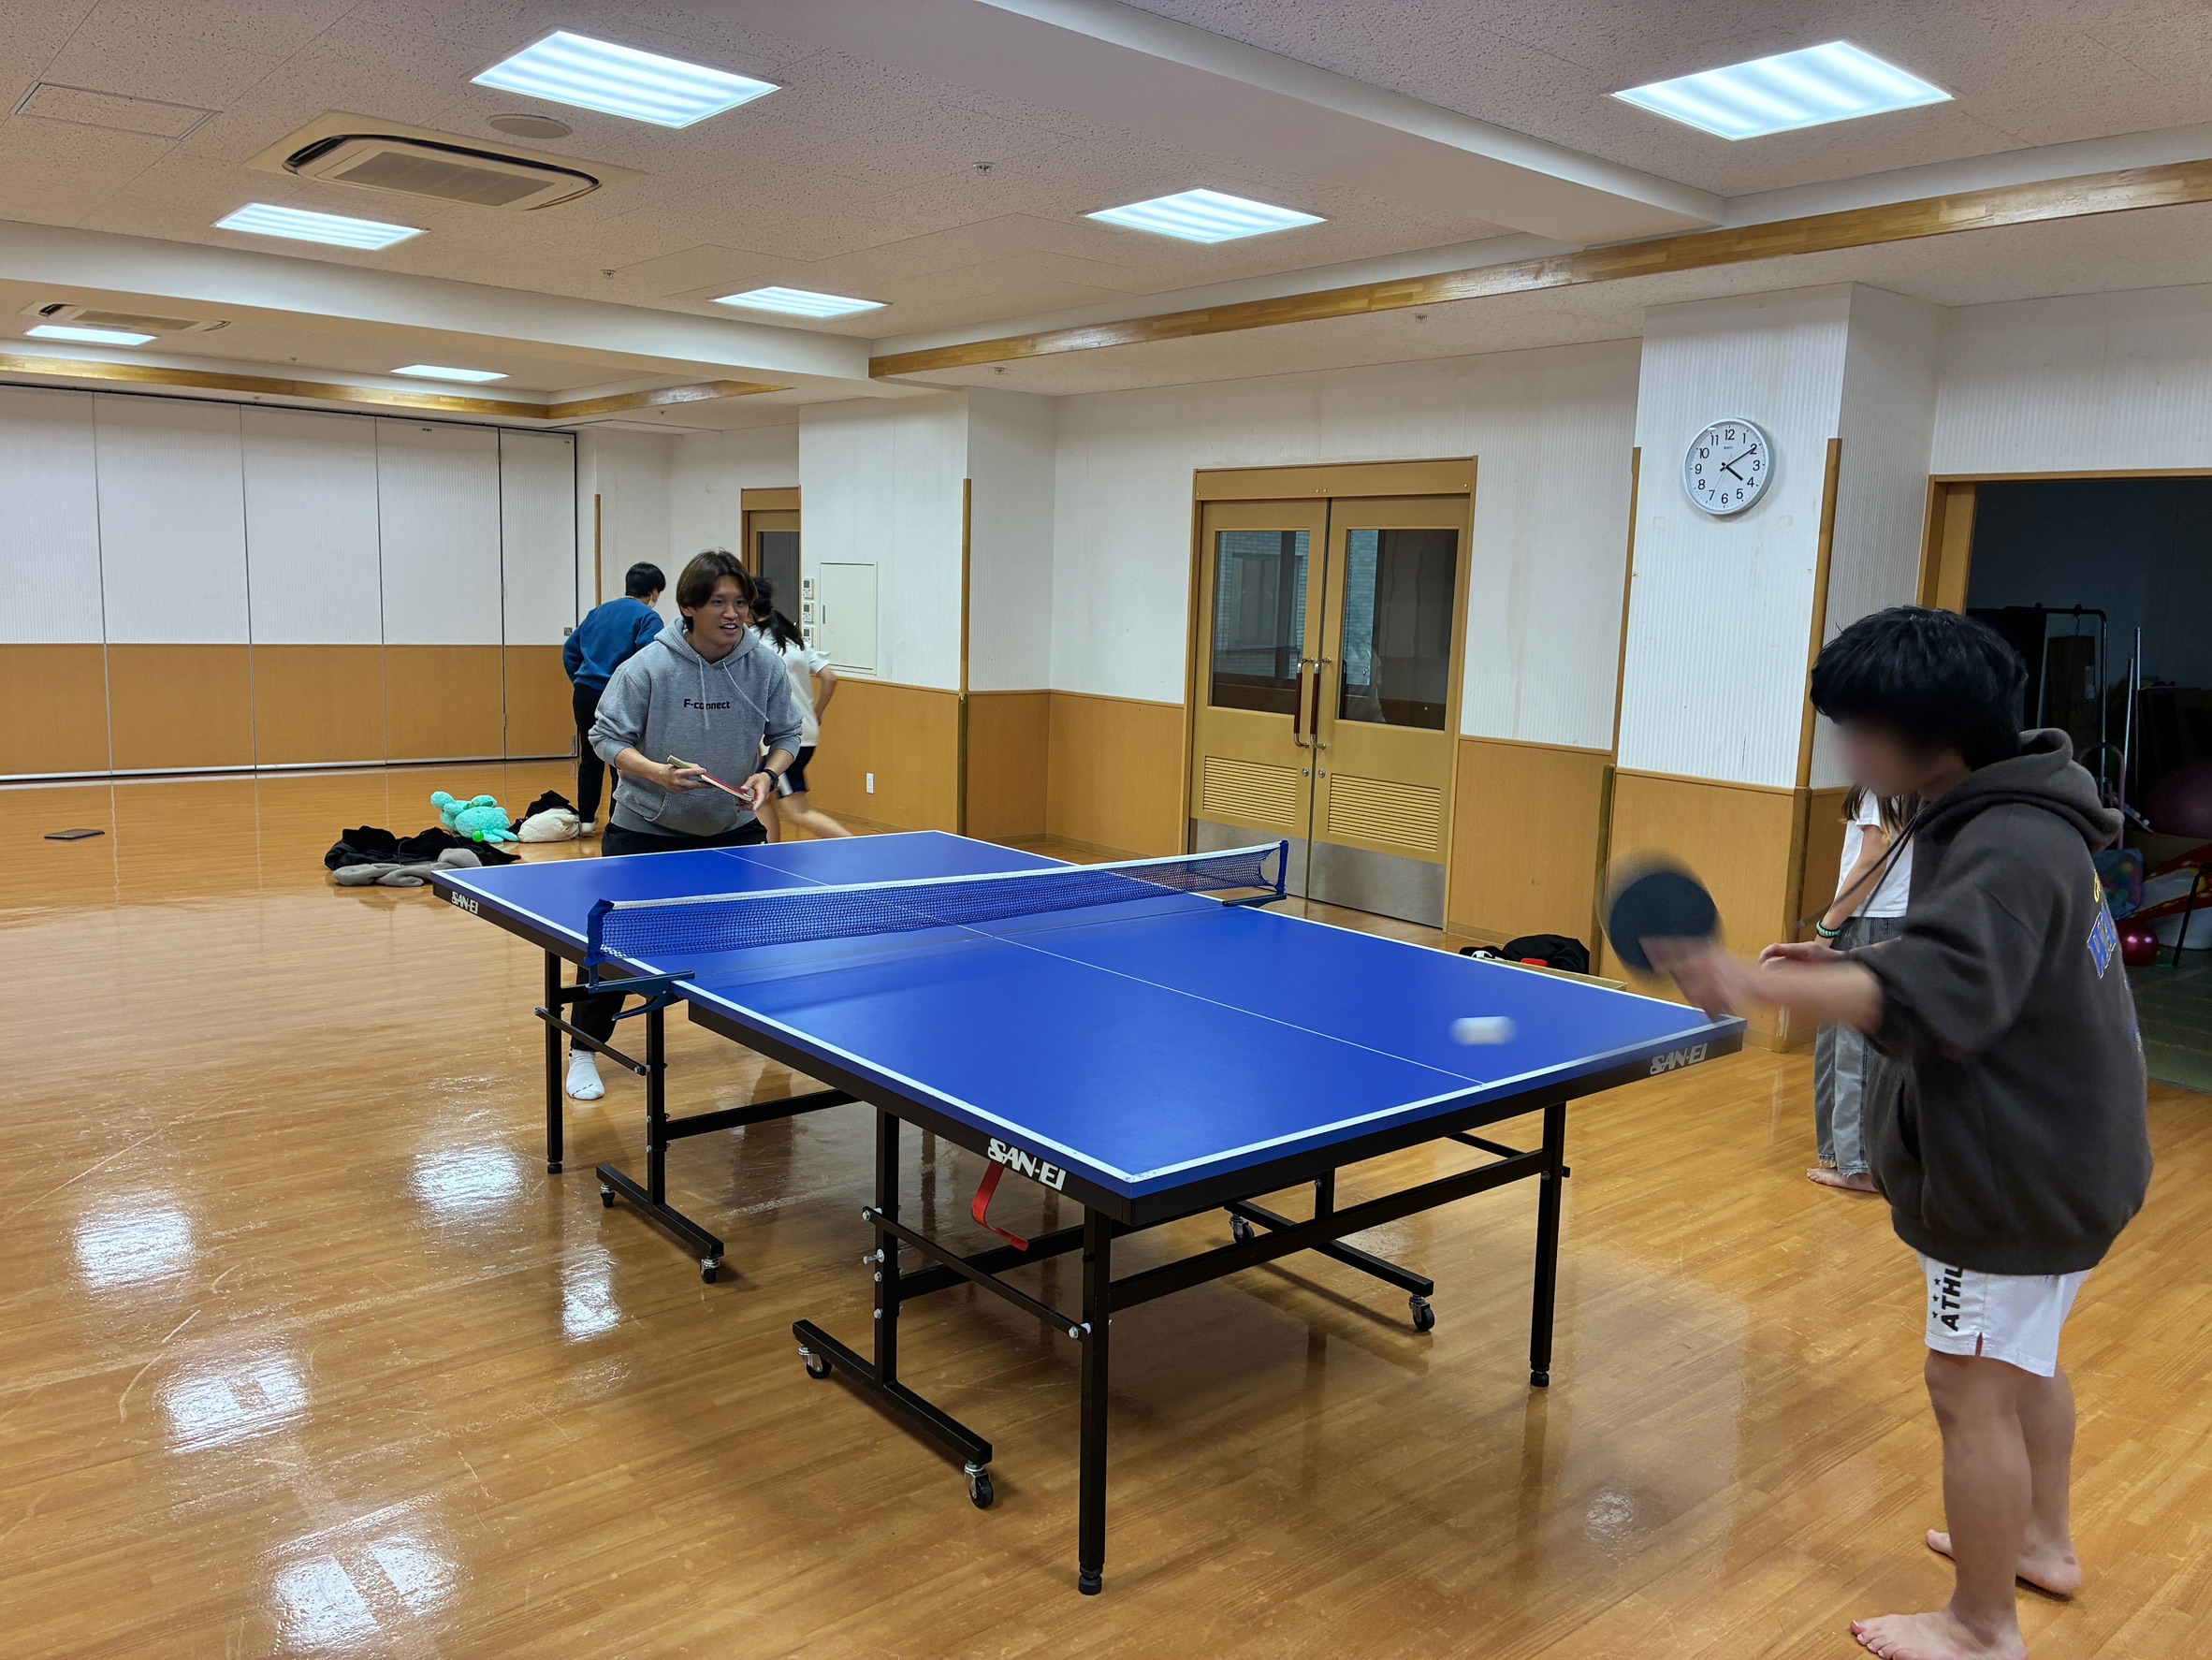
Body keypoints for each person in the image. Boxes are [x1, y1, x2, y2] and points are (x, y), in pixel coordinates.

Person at [1648, 606, 2151, 1660]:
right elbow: (1965, 959)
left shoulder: (2007, 842)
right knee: (2023, 1364)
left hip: (2014, 1174)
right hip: (2069, 1153)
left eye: (1854, 727)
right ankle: (2042, 1542)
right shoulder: (1998, 804)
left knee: (1967, 1386)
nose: (1843, 747)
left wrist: (1746, 982)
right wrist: (1839, 957)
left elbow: (1944, 992)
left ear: (1921, 732)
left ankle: (1980, 1626)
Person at [563, 549, 804, 1103]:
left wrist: (768, 775)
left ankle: (767, 1034)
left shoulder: (763, 666)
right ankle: (584, 1050)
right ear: (689, 607)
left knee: (757, 937)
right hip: (646, 829)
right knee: (614, 950)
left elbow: (787, 735)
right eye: (718, 602)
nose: (732, 613)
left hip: (731, 828)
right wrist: (657, 775)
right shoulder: (647, 666)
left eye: (739, 602)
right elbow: (605, 738)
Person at [1810, 784, 1914, 1194]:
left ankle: (1861, 1166)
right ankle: (1844, 1154)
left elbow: (1872, 858)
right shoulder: (1910, 781)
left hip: (1871, 921)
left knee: (1856, 1050)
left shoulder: (1886, 783)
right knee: (1842, 1046)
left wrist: (1826, 928)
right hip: (1882, 920)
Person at [561, 562, 665, 833]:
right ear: (654, 592)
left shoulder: (597, 612)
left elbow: (570, 650)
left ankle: (586, 820)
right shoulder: (648, 618)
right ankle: (617, 820)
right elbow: (647, 661)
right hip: (619, 694)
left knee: (590, 756)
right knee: (622, 758)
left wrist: (580, 679)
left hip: (585, 693)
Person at [749, 577, 851, 842]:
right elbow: (830, 677)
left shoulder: (750, 642)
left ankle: (857, 846)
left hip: (783, 736)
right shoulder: (792, 638)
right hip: (808, 731)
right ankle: (771, 852)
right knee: (761, 795)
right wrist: (817, 711)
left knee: (798, 810)